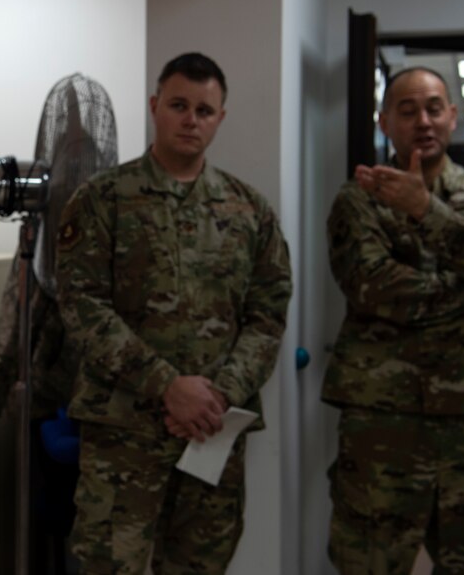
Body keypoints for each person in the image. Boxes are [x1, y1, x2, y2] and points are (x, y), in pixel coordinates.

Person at [55, 52, 292, 574]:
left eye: (204, 110)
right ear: (155, 106)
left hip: (212, 433)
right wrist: (167, 384)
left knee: (200, 566)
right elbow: (81, 306)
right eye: (179, 105)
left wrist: (219, 394)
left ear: (220, 118)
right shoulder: (102, 200)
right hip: (124, 434)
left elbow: (268, 314)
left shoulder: (248, 209)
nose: (191, 120)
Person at [323, 66, 464, 574]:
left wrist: (425, 210)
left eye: (434, 108)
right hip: (383, 417)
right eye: (407, 109)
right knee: (369, 560)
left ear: (453, 117)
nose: (423, 120)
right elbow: (378, 290)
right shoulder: (358, 200)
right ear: (383, 122)